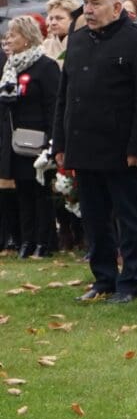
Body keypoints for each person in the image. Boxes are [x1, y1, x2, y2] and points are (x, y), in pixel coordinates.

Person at [53, 0, 137, 303]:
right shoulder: (77, 41)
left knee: (130, 217)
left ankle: (132, 282)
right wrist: (60, 143)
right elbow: (65, 95)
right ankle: (103, 279)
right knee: (94, 217)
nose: (89, 10)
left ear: (117, 6)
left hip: (121, 148)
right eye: (86, 3)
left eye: (96, 3)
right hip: (83, 144)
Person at [0, 15, 60, 258]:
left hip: (38, 140)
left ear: (26, 38)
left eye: (12, 35)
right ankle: (27, 240)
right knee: (23, 191)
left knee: (41, 191)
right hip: (15, 140)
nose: (8, 40)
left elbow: (53, 105)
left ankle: (43, 242)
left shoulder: (46, 67)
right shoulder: (10, 67)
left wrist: (52, 140)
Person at [41, 0, 79, 67]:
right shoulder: (45, 45)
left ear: (73, 19)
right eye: (51, 18)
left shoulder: (83, 43)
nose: (53, 23)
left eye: (59, 18)